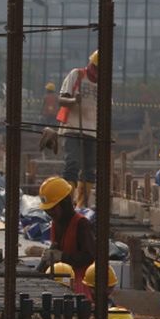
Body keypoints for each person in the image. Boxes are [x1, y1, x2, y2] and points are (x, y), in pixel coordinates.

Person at [38, 176, 97, 299]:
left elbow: (89, 257)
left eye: (52, 209)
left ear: (64, 204)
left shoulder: (82, 224)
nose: (50, 213)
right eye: (47, 210)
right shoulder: (56, 223)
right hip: (61, 283)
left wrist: (62, 256)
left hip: (81, 287)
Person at [57, 50, 100, 206]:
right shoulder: (77, 75)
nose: (94, 71)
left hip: (92, 131)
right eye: (94, 67)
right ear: (90, 64)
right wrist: (74, 100)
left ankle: (81, 204)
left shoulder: (103, 84)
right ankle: (67, 204)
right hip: (72, 128)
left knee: (89, 170)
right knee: (72, 164)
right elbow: (61, 100)